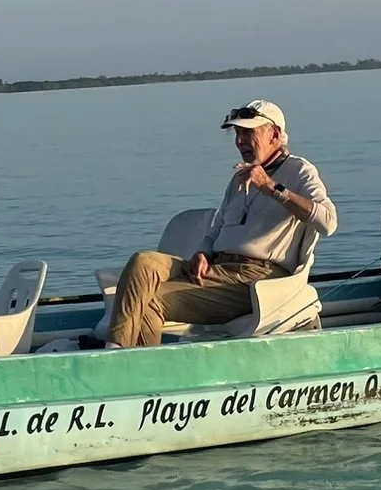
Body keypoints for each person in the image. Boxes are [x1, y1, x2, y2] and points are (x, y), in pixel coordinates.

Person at [106, 99, 338, 347]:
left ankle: (120, 361)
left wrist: (272, 188)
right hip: (218, 268)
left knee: (149, 301)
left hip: (255, 280)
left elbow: (328, 222)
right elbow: (216, 230)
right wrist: (203, 252)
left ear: (275, 134)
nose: (239, 141)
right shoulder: (240, 177)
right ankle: (120, 353)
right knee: (144, 261)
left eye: (248, 132)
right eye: (237, 133)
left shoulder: (300, 170)